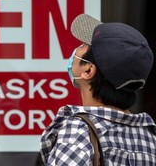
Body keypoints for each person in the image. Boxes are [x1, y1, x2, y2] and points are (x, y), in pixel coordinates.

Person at [40, 14, 156, 165]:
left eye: (83, 45)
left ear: (88, 71)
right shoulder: (149, 137)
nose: (76, 49)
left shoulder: (78, 133)